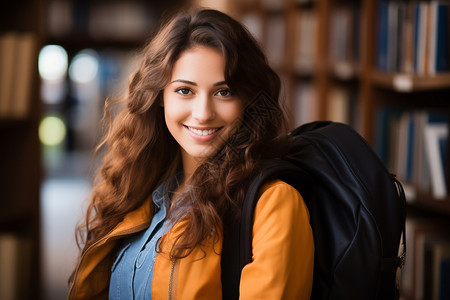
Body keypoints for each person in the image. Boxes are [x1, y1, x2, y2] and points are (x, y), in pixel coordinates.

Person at [68, 8, 314, 300]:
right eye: (185, 90)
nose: (203, 113)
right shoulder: (141, 189)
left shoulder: (274, 203)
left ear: (248, 100)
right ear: (159, 96)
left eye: (224, 92)